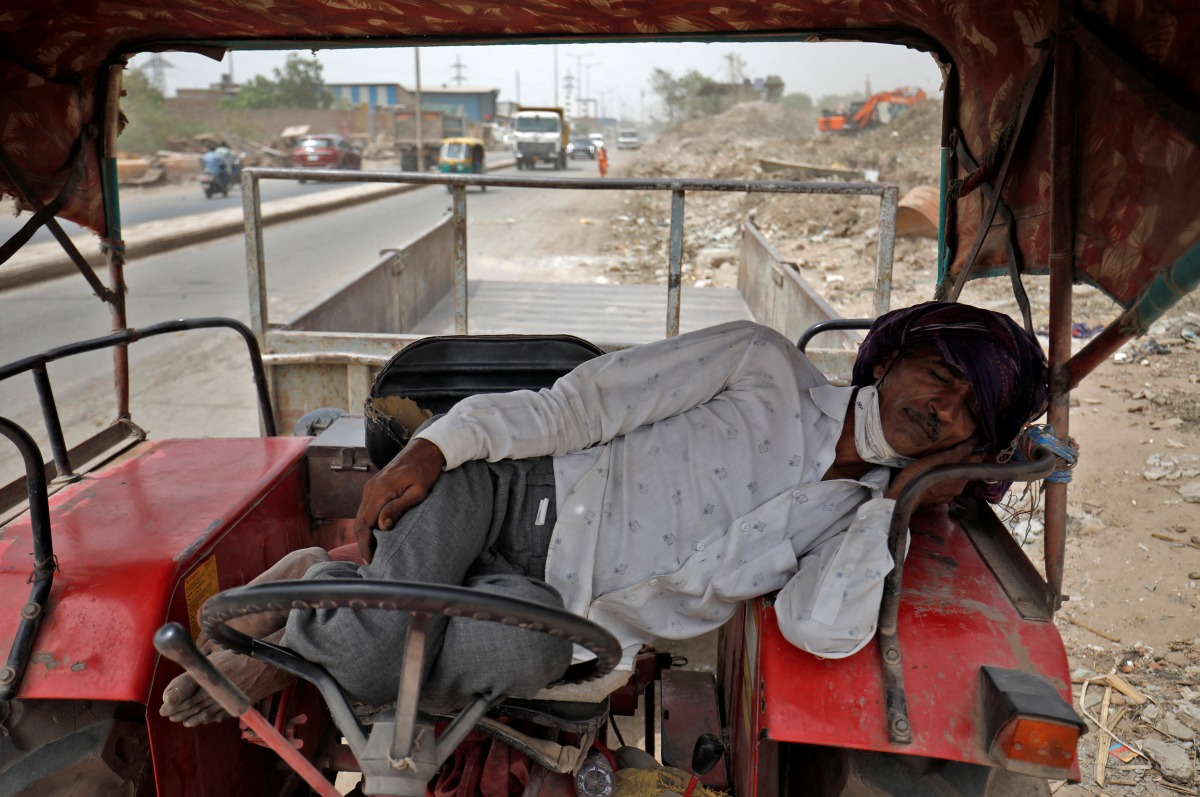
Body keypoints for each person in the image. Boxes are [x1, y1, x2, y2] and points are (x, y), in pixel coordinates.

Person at [161, 301, 1047, 727]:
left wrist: (889, 501)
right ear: (891, 360)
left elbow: (819, 631)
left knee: (526, 650)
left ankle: (319, 589)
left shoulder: (859, 522)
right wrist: (440, 447)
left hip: (569, 609)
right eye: (941, 375)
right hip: (511, 488)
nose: (944, 409)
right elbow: (576, 405)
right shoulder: (759, 361)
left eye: (973, 411)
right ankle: (313, 632)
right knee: (374, 646)